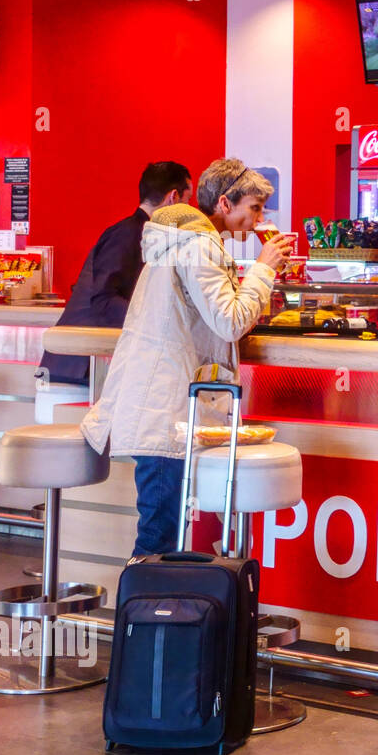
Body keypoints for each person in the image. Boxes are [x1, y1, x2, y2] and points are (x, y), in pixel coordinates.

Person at [80, 159, 293, 556]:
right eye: (256, 208)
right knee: (158, 539)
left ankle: (159, 614)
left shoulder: (189, 242)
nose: (260, 219)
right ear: (226, 204)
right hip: (167, 411)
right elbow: (230, 321)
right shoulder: (198, 246)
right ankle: (145, 617)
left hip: (167, 407)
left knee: (163, 534)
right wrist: (263, 271)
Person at [38, 162, 192, 386]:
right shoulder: (128, 234)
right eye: (188, 200)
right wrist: (154, 319)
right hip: (79, 367)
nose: (190, 211)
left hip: (85, 365)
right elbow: (103, 299)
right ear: (173, 197)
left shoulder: (139, 232)